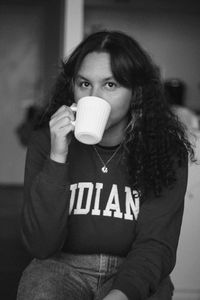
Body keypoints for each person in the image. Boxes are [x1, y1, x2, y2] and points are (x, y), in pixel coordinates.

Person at [17, 30, 194, 300]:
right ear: (72, 87)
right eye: (84, 84)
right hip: (61, 268)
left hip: (134, 269)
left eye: (110, 85)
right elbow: (40, 247)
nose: (94, 97)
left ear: (136, 92)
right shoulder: (47, 142)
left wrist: (121, 294)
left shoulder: (165, 151)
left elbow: (156, 245)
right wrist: (57, 156)